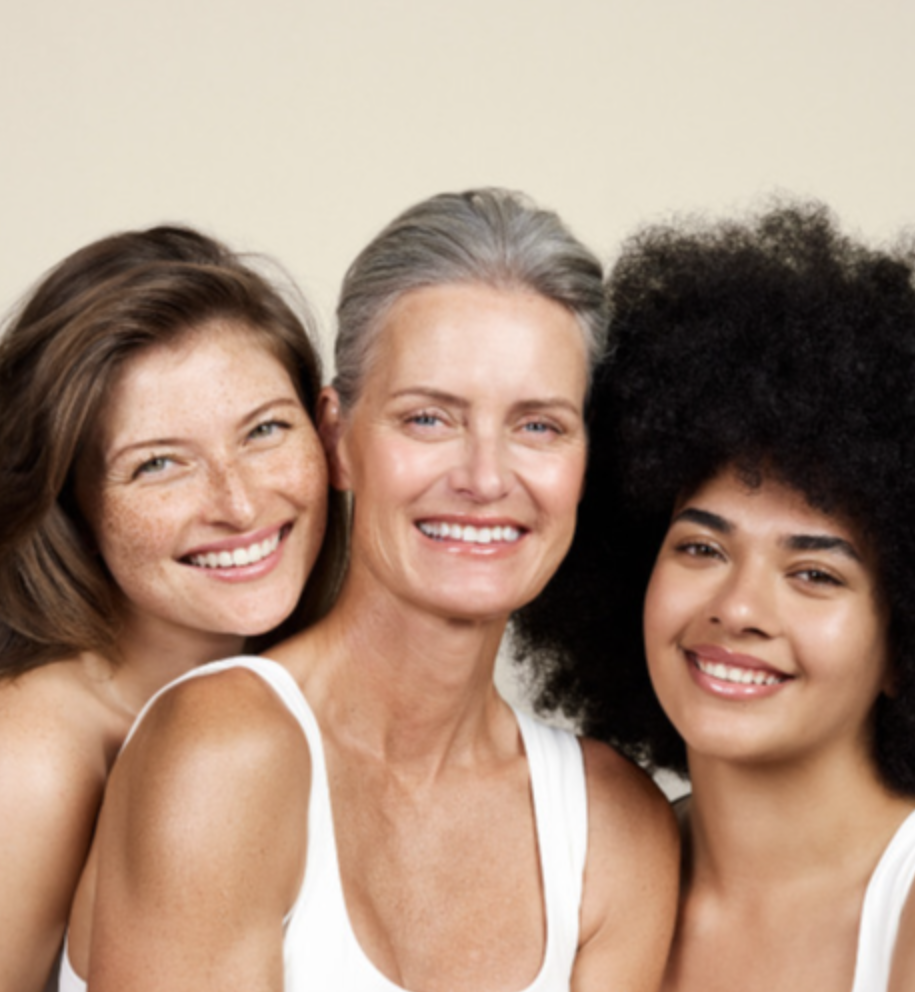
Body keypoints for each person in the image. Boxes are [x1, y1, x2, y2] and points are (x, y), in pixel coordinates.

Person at [69, 189, 680, 992]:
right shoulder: (223, 750)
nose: (485, 478)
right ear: (337, 439)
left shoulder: (614, 827)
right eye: (429, 418)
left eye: (539, 426)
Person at [514, 201, 915, 991]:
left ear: (909, 644)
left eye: (815, 575)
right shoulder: (591, 875)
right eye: (701, 549)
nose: (736, 609)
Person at [0, 226, 346, 992]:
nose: (239, 503)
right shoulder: (30, 757)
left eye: (265, 430)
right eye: (158, 463)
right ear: (70, 502)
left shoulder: (307, 703)